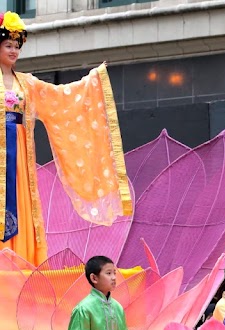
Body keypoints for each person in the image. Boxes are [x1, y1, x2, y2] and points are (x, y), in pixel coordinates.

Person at [0, 13, 132, 266]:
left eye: (17, 46)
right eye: (8, 45)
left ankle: (21, 262)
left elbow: (61, 99)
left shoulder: (27, 84)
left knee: (21, 203)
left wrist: (91, 81)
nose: (14, 51)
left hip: (19, 159)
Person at [68, 255, 148, 330]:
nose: (114, 278)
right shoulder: (83, 308)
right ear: (94, 278)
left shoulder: (117, 307)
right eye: (108, 273)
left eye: (114, 273)